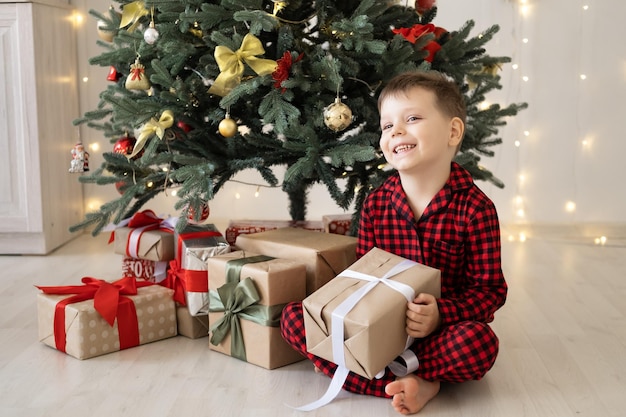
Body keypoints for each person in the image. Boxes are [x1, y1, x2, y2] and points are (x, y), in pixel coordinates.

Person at [280, 70, 508, 415]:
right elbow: (363, 277)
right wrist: (342, 322)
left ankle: (359, 373)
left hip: (440, 335)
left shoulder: (476, 209)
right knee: (295, 319)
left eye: (412, 118)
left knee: (479, 345)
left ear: (453, 131)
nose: (396, 131)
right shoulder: (376, 203)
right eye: (387, 126)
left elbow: (490, 292)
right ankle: (416, 380)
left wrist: (440, 314)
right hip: (375, 330)